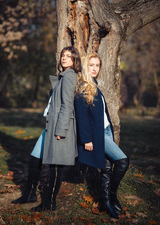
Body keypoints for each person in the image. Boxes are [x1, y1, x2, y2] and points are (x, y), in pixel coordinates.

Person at [12, 46, 81, 212]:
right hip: (50, 126)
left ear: (74, 61)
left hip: (59, 127)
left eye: (68, 56)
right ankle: (29, 195)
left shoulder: (69, 77)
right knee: (35, 158)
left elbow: (67, 106)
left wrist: (61, 130)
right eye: (63, 55)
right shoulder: (62, 77)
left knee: (56, 166)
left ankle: (49, 203)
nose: (64, 58)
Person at [74, 53, 129, 219]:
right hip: (96, 136)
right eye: (91, 65)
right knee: (122, 161)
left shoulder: (95, 86)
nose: (94, 68)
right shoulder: (83, 88)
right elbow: (81, 117)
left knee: (106, 169)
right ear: (85, 66)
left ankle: (107, 202)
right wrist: (87, 140)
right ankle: (112, 196)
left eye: (97, 65)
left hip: (105, 131)